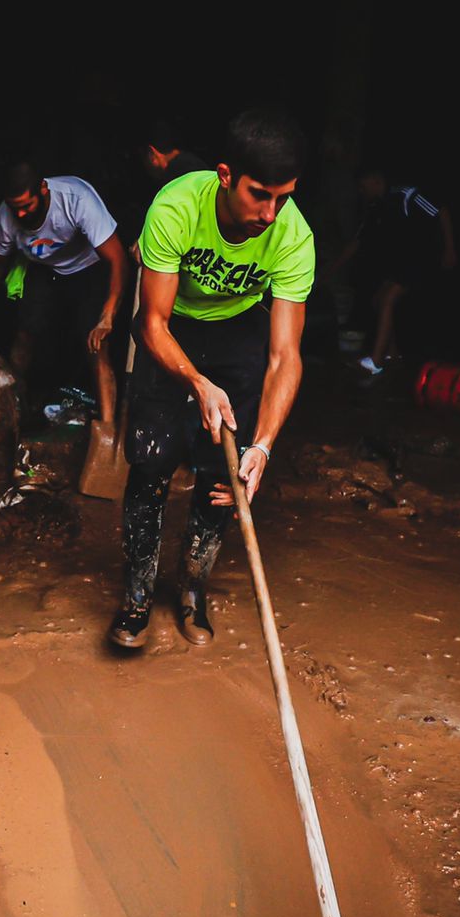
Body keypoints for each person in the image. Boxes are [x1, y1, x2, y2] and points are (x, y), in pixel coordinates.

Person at [111, 108, 315, 650]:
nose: (271, 213)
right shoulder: (177, 205)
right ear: (226, 176)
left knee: (226, 475)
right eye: (260, 195)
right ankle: (136, 595)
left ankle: (193, 590)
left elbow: (285, 356)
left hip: (237, 332)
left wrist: (264, 446)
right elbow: (151, 321)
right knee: (151, 458)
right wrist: (196, 381)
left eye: (285, 197)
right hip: (173, 328)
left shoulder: (294, 236)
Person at [0, 163, 129, 421]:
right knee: (25, 334)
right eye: (15, 208)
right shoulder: (6, 216)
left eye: (26, 206)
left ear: (43, 189)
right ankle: (14, 411)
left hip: (88, 267)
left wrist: (107, 315)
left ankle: (107, 426)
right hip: (44, 269)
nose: (20, 215)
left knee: (96, 344)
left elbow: (118, 260)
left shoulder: (76, 199)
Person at [337, 167, 456, 377]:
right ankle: (392, 354)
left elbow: (441, 210)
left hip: (422, 257)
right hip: (401, 263)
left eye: (363, 187)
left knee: (387, 301)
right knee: (378, 300)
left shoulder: (406, 194)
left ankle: (376, 361)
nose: (362, 192)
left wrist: (449, 249)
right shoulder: (378, 207)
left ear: (375, 180)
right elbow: (357, 242)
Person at [141, 119, 212, 191]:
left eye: (142, 159)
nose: (145, 166)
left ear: (151, 153)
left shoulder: (173, 180)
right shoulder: (193, 163)